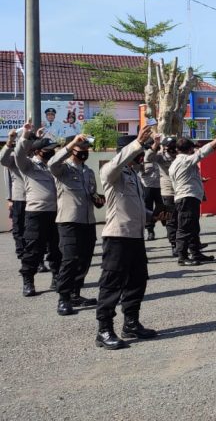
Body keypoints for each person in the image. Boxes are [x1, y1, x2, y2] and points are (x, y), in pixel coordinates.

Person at [95, 128, 159, 349]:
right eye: (139, 150)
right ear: (128, 152)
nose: (142, 154)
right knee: (112, 284)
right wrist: (136, 144)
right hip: (117, 237)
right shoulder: (112, 173)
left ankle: (131, 323)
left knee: (137, 281)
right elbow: (112, 167)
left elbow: (135, 206)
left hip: (135, 237)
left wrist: (154, 215)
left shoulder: (134, 176)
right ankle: (104, 330)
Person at [49, 134, 105, 316]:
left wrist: (97, 199)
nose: (84, 153)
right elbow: (52, 163)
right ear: (72, 149)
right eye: (81, 150)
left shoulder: (88, 171)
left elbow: (92, 192)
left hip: (87, 221)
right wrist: (71, 143)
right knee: (70, 260)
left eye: (86, 150)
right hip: (69, 221)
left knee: (84, 260)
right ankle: (63, 298)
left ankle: (75, 293)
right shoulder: (62, 169)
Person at [14, 121, 60, 296]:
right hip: (36, 213)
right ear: (38, 151)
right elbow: (18, 154)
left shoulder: (54, 167)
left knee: (57, 248)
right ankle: (28, 281)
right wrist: (25, 136)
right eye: (48, 150)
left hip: (56, 213)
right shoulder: (29, 166)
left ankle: (56, 277)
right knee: (34, 249)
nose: (51, 152)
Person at [170, 132, 216, 266]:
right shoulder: (185, 160)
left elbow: (186, 178)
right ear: (189, 150)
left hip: (186, 197)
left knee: (193, 227)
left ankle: (196, 253)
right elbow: (201, 154)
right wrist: (215, 141)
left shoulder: (176, 163)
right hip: (187, 198)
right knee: (185, 228)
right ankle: (182, 256)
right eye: (192, 149)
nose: (194, 150)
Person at [145, 136, 179, 252]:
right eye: (169, 146)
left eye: (173, 146)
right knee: (171, 219)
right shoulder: (160, 156)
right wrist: (155, 144)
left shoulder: (180, 155)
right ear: (164, 147)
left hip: (181, 191)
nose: (171, 149)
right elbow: (148, 157)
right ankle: (174, 244)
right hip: (167, 191)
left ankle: (186, 243)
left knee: (182, 218)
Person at [1, 129, 27, 262]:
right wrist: (9, 198)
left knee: (34, 231)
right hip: (18, 198)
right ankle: (22, 253)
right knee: (19, 228)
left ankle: (37, 259)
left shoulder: (33, 156)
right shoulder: (12, 157)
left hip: (34, 200)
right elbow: (8, 178)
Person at [140, 138, 162, 241]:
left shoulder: (159, 156)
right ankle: (150, 231)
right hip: (147, 187)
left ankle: (170, 228)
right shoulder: (144, 157)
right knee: (148, 210)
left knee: (162, 208)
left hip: (160, 187)